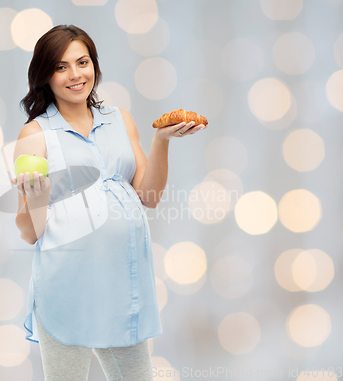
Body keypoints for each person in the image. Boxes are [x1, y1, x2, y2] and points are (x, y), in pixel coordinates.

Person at [12, 24, 206, 381]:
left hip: (121, 284)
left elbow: (148, 196)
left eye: (82, 62)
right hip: (66, 288)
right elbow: (29, 233)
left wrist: (161, 140)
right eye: (60, 67)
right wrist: (36, 197)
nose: (75, 75)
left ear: (95, 66)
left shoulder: (120, 120)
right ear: (45, 77)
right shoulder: (35, 135)